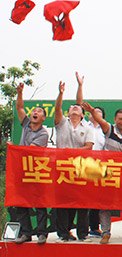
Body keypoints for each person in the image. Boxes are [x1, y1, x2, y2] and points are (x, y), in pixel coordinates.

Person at [82, 102, 122, 245]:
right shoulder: (110, 130)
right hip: (108, 174)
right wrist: (91, 111)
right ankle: (106, 233)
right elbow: (101, 120)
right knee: (105, 205)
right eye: (120, 119)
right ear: (115, 120)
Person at [53, 80, 94, 242]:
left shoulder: (87, 128)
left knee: (82, 203)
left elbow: (89, 147)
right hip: (63, 169)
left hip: (81, 169)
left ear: (83, 114)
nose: (75, 108)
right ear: (67, 113)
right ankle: (63, 234)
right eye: (71, 108)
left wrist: (69, 153)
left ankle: (82, 234)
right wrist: (61, 94)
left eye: (77, 108)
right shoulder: (62, 124)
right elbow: (57, 109)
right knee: (63, 204)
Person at [13, 83, 50, 245]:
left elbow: (30, 150)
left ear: (43, 118)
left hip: (36, 171)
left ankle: (42, 233)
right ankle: (26, 233)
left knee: (39, 203)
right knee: (20, 202)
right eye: (34, 110)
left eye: (39, 112)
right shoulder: (26, 124)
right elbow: (20, 108)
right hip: (21, 169)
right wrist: (20, 93)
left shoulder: (43, 133)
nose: (35, 113)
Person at [75, 72, 104, 237]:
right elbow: (79, 104)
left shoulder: (105, 130)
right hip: (83, 165)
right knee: (82, 199)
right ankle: (82, 229)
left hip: (99, 167)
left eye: (98, 112)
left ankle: (95, 227)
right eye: (93, 111)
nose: (95, 113)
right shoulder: (85, 125)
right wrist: (80, 86)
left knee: (96, 199)